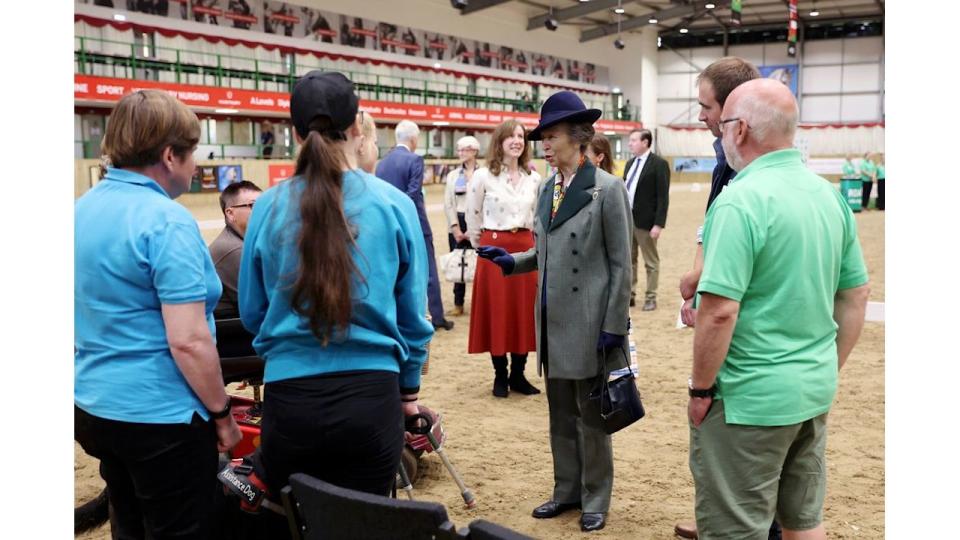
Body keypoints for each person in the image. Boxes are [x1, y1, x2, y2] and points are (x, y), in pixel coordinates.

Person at [238, 72, 434, 525]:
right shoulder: (393, 205)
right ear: (356, 129)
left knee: (297, 523)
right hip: (371, 399)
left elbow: (253, 312)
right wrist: (408, 393)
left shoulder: (267, 205)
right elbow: (413, 319)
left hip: (291, 401)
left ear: (294, 134)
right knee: (366, 526)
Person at [688, 78, 870, 540]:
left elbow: (719, 311)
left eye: (723, 123)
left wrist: (700, 389)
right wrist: (826, 365)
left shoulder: (739, 201)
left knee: (735, 528)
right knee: (803, 522)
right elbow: (855, 294)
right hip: (812, 388)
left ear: (741, 129)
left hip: (750, 397)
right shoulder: (828, 196)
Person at [75, 89, 241, 539]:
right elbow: (188, 340)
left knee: (128, 520)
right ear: (170, 156)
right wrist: (222, 414)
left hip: (96, 405)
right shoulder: (165, 221)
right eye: (192, 155)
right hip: (160, 415)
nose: (194, 166)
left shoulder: (80, 210)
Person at [478, 91, 632, 532]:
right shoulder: (548, 187)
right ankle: (566, 489)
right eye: (542, 135)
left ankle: (596, 496)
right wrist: (515, 262)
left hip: (590, 323)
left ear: (579, 138)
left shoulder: (607, 189)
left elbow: (622, 265)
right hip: (551, 320)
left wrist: (612, 325)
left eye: (552, 135)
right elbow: (548, 251)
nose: (543, 143)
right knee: (560, 415)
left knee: (592, 418)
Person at [675, 57, 774, 540]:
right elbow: (710, 217)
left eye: (706, 106)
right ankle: (717, 514)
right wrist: (699, 266)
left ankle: (731, 520)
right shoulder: (724, 159)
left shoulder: (747, 173)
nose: (700, 115)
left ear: (734, 110)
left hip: (746, 332)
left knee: (725, 424)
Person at [465, 122, 541, 398]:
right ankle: (500, 374)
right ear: (499, 141)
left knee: (522, 312)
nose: (516, 141)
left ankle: (518, 374)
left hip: (524, 247)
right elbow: (472, 215)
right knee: (498, 311)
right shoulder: (483, 176)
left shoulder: (534, 178)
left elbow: (539, 217)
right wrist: (481, 245)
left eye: (521, 136)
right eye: (510, 136)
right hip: (493, 251)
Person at [376, 120, 454, 331]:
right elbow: (412, 195)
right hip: (415, 223)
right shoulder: (415, 160)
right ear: (413, 139)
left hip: (388, 223)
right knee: (428, 271)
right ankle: (436, 316)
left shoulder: (381, 164)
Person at [622, 128, 670, 310]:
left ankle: (651, 297)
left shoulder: (659, 164)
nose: (630, 143)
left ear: (645, 142)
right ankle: (631, 294)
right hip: (628, 219)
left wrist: (658, 223)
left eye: (634, 140)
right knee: (629, 260)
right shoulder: (630, 163)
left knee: (650, 261)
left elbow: (663, 197)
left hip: (647, 222)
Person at [209, 180, 262, 319]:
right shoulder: (233, 250)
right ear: (230, 214)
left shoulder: (241, 242)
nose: (263, 210)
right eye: (253, 205)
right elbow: (262, 305)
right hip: (233, 335)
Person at [443, 135, 481, 317]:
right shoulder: (452, 176)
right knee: (459, 262)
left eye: (464, 149)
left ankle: (481, 305)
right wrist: (455, 228)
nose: (460, 153)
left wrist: (476, 228)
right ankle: (458, 304)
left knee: (481, 264)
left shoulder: (485, 174)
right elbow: (448, 203)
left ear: (474, 151)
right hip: (458, 221)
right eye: (458, 150)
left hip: (478, 223)